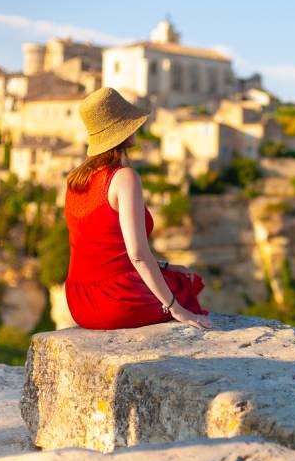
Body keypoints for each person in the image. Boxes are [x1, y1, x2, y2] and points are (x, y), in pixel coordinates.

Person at [63, 87, 212, 330]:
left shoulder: (74, 180)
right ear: (121, 131)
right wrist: (176, 308)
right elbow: (138, 254)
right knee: (185, 283)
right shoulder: (124, 178)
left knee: (173, 274)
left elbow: (103, 246)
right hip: (114, 303)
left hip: (78, 301)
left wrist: (163, 265)